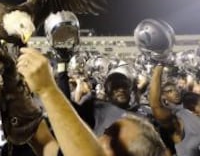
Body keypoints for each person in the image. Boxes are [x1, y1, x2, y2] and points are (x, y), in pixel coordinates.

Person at [17, 47, 167, 156]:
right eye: (107, 131)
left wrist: (47, 89)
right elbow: (46, 144)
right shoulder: (97, 107)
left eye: (113, 140)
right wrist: (13, 91)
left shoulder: (144, 114)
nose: (97, 136)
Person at [150, 64, 200, 156]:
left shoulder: (188, 103)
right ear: (163, 96)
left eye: (176, 89)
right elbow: (155, 106)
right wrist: (159, 66)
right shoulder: (175, 117)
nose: (175, 92)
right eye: (170, 91)